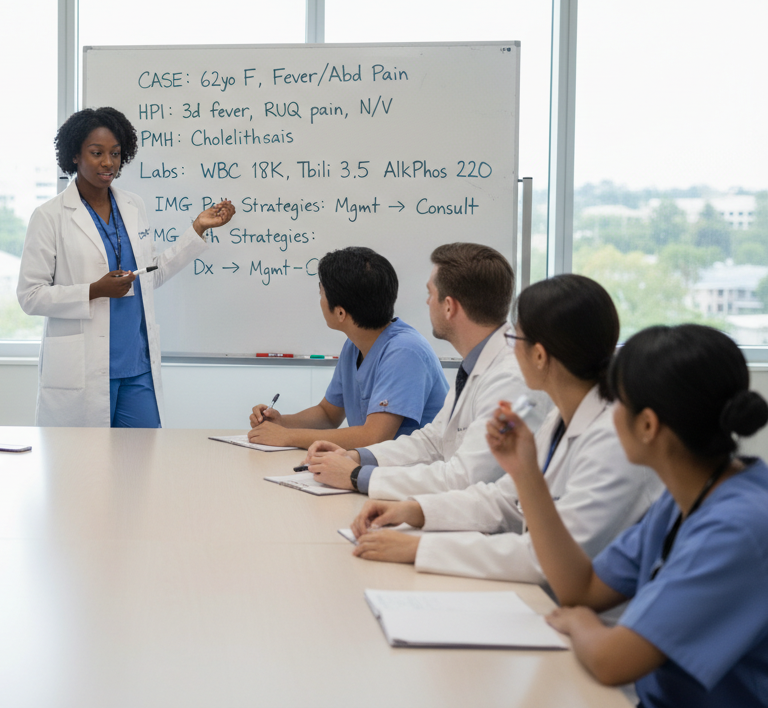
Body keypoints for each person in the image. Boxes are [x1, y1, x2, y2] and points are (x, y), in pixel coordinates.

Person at [488, 324, 768, 706]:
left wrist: (581, 621)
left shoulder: (740, 527)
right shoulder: (682, 500)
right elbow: (579, 588)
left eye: (616, 403)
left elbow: (611, 661)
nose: (610, 415)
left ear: (649, 425)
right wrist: (526, 473)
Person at [348, 274, 663, 585]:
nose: (511, 350)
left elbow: (552, 557)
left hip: (590, 618)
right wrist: (413, 510)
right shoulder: (559, 420)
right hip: (544, 596)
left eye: (516, 339)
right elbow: (505, 500)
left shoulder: (612, 442)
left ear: (539, 355)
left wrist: (420, 547)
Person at [17, 106, 235, 427]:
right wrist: (94, 291)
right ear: (74, 156)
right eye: (96, 153)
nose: (108, 163)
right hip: (82, 369)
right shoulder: (50, 215)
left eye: (115, 153)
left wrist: (197, 229)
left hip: (137, 366)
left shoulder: (133, 206)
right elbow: (30, 296)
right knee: (83, 471)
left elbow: (149, 275)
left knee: (141, 467)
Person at [303, 243, 551, 496]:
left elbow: (467, 477)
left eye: (430, 293)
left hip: (491, 524)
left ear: (449, 307)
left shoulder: (512, 380)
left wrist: (356, 476)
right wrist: (356, 456)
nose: (427, 301)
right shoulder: (476, 365)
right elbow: (433, 441)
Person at [247, 246, 446, 449]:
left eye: (321, 294)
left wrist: (287, 437)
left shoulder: (405, 352)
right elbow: (327, 415)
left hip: (419, 473)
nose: (321, 301)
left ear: (341, 313)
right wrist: (281, 423)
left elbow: (374, 437)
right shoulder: (354, 345)